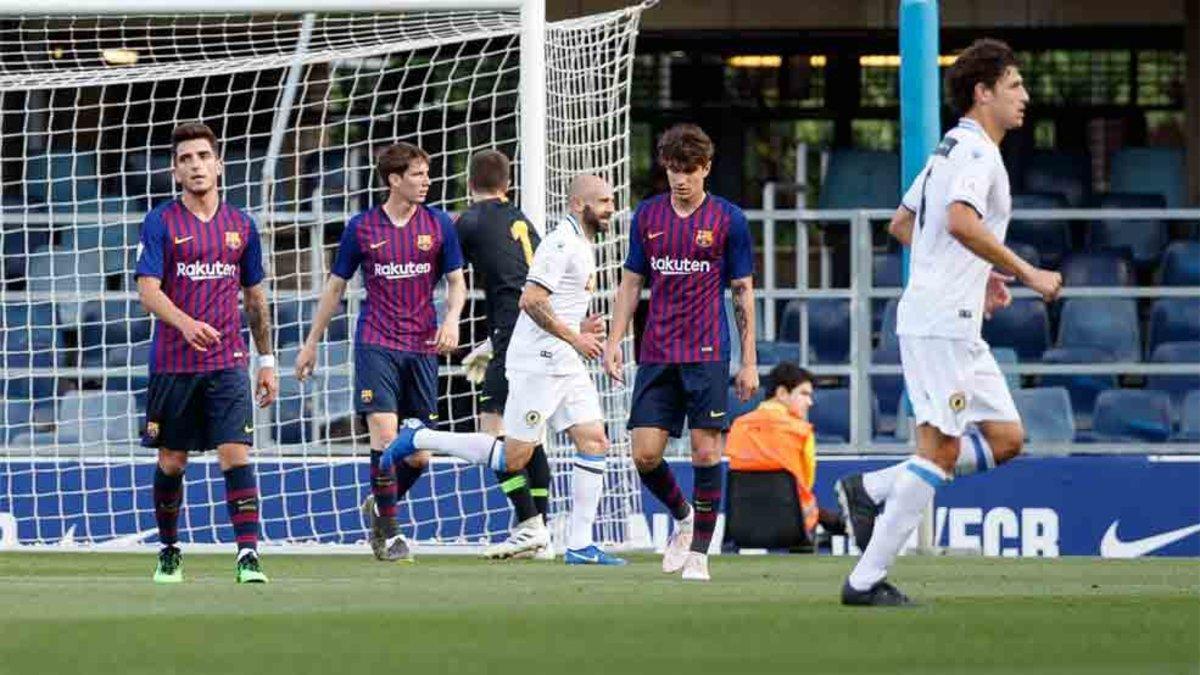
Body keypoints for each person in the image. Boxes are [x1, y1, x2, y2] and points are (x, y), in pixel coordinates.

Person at [837, 39, 1063, 606]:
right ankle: (865, 581)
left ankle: (872, 488)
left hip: (954, 323)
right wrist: (1025, 272)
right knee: (939, 450)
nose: (1024, 97)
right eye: (1014, 85)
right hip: (941, 324)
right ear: (983, 93)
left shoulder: (949, 150)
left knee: (1007, 438)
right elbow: (960, 220)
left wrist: (978, 272)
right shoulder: (977, 154)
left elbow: (903, 223)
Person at [382, 174, 623, 564]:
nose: (612, 208)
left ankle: (579, 545)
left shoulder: (582, 242)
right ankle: (420, 437)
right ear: (580, 204)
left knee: (595, 441)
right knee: (514, 457)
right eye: (605, 201)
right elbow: (531, 301)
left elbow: (552, 305)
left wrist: (578, 329)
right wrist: (575, 337)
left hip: (564, 360)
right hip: (539, 364)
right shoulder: (561, 243)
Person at [294, 142, 466, 563]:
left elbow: (457, 282)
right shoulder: (362, 228)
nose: (426, 181)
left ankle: (379, 503)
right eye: (417, 174)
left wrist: (452, 318)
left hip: (422, 345)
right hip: (377, 342)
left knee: (420, 455)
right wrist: (312, 342)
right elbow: (336, 286)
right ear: (394, 180)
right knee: (386, 436)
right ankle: (388, 535)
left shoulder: (439, 224)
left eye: (427, 173)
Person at [604, 123, 759, 581]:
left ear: (706, 169)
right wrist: (614, 341)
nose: (681, 178)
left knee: (705, 452)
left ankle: (699, 555)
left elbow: (743, 290)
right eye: (674, 169)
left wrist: (748, 361)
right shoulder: (648, 217)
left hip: (708, 351)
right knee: (645, 455)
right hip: (656, 351)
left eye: (690, 169)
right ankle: (684, 516)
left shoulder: (729, 220)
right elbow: (631, 282)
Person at [135, 121, 279, 584]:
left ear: (219, 165)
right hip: (174, 364)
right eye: (186, 159)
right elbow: (147, 291)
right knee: (172, 461)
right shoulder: (160, 222)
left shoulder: (241, 226)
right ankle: (170, 549)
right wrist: (185, 323)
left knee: (235, 454)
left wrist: (267, 361)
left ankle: (248, 554)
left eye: (203, 157)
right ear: (175, 172)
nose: (195, 165)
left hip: (228, 363)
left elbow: (255, 298)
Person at [454, 149, 554, 558]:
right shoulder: (522, 221)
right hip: (538, 330)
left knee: (493, 430)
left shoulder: (470, 221)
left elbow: (445, 266)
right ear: (507, 185)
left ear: (468, 184)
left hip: (515, 334)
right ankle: (542, 532)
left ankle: (530, 524)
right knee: (529, 434)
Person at [724, 363, 846, 542]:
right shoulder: (802, 431)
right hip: (794, 527)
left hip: (742, 526)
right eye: (804, 394)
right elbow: (806, 483)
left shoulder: (737, 426)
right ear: (781, 393)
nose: (810, 402)